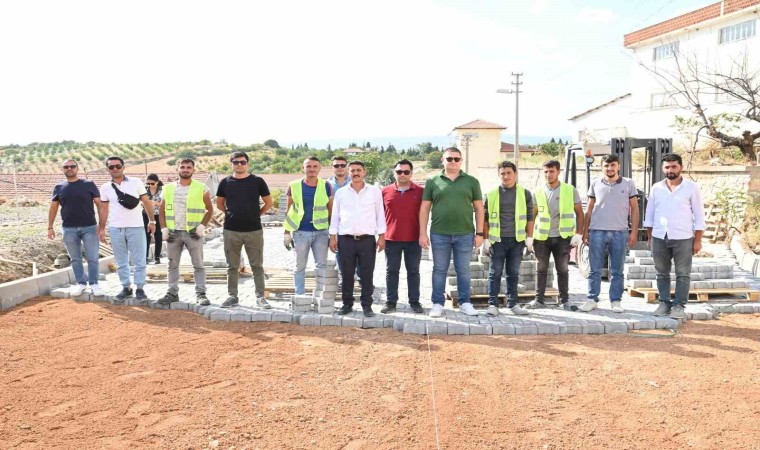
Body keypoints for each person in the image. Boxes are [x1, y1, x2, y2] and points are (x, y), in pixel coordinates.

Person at [419, 147, 484, 317]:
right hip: (439, 233)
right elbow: (425, 208)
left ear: (461, 161)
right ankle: (437, 304)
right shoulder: (433, 181)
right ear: (443, 160)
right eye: (449, 159)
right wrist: (422, 233)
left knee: (463, 270)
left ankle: (465, 302)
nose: (453, 162)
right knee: (439, 269)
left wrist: (480, 233)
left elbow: (479, 208)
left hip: (465, 234)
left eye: (456, 159)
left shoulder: (472, 181)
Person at [644, 153, 705, 319]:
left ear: (681, 167)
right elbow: (650, 214)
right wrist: (650, 237)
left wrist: (698, 240)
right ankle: (664, 303)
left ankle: (679, 306)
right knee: (661, 273)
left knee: (683, 274)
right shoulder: (656, 188)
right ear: (663, 168)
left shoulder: (691, 188)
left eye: (674, 166)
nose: (670, 170)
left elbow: (699, 216)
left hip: (683, 237)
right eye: (667, 167)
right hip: (659, 237)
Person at [580, 154, 639, 313]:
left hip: (619, 232)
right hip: (597, 231)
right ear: (602, 167)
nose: (610, 168)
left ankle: (616, 301)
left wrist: (634, 232)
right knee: (594, 269)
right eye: (606, 165)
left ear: (618, 166)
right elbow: (589, 209)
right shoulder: (595, 183)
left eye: (613, 165)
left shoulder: (628, 184)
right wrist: (585, 231)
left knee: (617, 270)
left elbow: (634, 208)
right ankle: (592, 299)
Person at [216, 151, 273, 308]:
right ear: (231, 164)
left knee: (257, 266)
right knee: (232, 267)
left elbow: (268, 202)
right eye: (236, 162)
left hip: (253, 230)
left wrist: (257, 214)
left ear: (247, 164)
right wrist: (229, 214)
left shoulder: (257, 181)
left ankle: (260, 297)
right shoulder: (225, 182)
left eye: (242, 162)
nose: (239, 165)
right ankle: (232, 296)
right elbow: (219, 203)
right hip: (231, 230)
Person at [329, 161, 385, 317]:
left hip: (367, 239)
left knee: (367, 274)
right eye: (352, 170)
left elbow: (380, 214)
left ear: (364, 172)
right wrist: (332, 237)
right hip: (345, 239)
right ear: (349, 173)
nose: (355, 173)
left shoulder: (374, 192)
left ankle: (367, 305)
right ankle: (347, 304)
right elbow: (335, 216)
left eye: (358, 170)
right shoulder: (341, 193)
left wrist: (382, 237)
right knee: (346, 274)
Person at [527, 160, 584, 310]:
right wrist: (529, 236)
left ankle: (565, 301)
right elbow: (532, 215)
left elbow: (580, 213)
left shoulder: (569, 190)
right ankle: (539, 300)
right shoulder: (538, 191)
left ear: (558, 171)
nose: (548, 174)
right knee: (541, 269)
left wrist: (579, 233)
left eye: (551, 171)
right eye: (545, 172)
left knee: (563, 270)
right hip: (542, 238)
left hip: (562, 237)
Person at [98, 156, 156, 304]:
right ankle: (126, 287)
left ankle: (140, 288)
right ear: (108, 169)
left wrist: (152, 221)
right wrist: (101, 228)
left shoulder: (135, 182)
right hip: (115, 228)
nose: (115, 169)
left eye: (118, 166)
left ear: (123, 167)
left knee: (139, 260)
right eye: (111, 167)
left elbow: (146, 202)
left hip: (136, 227)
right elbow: (104, 209)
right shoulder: (105, 187)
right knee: (121, 261)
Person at [157, 158, 214, 306]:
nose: (185, 169)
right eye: (182, 167)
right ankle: (172, 293)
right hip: (173, 233)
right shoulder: (167, 188)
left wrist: (202, 226)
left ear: (193, 170)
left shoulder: (201, 187)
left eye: (189, 167)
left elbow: (210, 209)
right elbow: (162, 211)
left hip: (193, 233)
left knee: (198, 265)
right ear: (177, 169)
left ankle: (201, 294)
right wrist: (164, 229)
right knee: (172, 265)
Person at [482, 161, 534, 316]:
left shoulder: (525, 193)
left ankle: (513, 304)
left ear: (515, 173)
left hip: (517, 240)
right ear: (499, 175)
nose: (505, 176)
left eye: (508, 173)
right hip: (497, 240)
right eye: (502, 173)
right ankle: (493, 305)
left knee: (513, 273)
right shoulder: (491, 194)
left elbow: (530, 217)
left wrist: (529, 238)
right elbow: (485, 219)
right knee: (495, 273)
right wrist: (485, 239)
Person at [48, 159, 105, 296]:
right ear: (62, 169)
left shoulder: (89, 184)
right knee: (75, 258)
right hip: (68, 229)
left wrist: (101, 226)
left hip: (89, 227)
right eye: (66, 167)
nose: (69, 169)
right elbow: (53, 207)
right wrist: (50, 227)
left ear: (77, 168)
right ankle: (81, 283)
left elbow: (100, 205)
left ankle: (94, 284)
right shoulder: (59, 187)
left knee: (92, 257)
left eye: (72, 166)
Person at [284, 156, 333, 296]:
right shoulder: (293, 186)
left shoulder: (326, 185)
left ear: (319, 168)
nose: (312, 169)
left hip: (321, 233)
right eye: (308, 166)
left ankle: (320, 295)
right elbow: (289, 210)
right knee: (299, 266)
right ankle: (300, 295)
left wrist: (333, 234)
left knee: (321, 266)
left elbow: (331, 211)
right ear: (303, 168)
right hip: (300, 232)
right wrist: (286, 232)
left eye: (315, 166)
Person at [381, 159, 424, 314]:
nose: (403, 174)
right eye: (399, 171)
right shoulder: (385, 191)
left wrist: (424, 235)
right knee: (391, 271)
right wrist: (380, 236)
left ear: (411, 173)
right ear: (394, 173)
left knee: (413, 271)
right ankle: (391, 302)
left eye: (406, 172)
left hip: (414, 239)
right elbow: (379, 215)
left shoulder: (421, 192)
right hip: (391, 239)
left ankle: (414, 301)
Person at [143, 174, 163, 264]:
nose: (150, 185)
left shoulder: (162, 190)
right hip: (146, 214)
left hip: (158, 215)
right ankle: (145, 257)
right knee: (146, 236)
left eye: (152, 183)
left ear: (157, 182)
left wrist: (155, 203)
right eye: (148, 183)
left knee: (158, 235)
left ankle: (157, 257)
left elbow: (164, 204)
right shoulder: (144, 190)